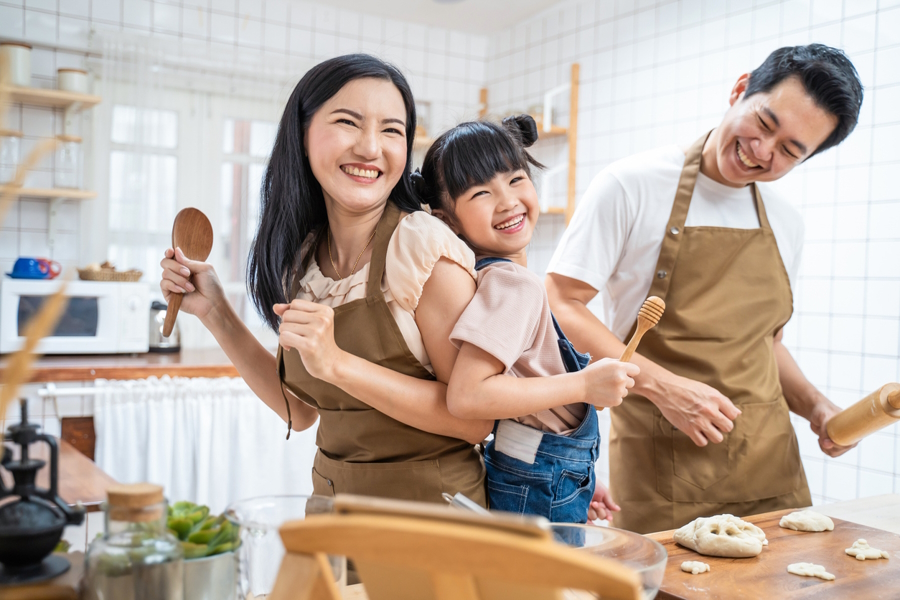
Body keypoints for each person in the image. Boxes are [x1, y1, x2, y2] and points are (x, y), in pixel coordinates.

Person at [545, 44, 864, 533]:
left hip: (770, 466)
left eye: (788, 151)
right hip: (662, 467)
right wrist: (665, 388)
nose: (762, 150)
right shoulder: (632, 185)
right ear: (740, 89)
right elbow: (560, 304)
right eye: (764, 122)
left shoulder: (786, 223)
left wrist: (817, 407)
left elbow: (767, 344)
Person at [160, 54, 491, 505]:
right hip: (332, 512)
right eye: (349, 122)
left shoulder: (422, 245)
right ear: (302, 134)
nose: (371, 148)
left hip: (434, 522)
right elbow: (298, 411)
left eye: (391, 129)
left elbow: (475, 419)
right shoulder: (302, 259)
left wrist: (338, 364)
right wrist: (216, 312)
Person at [415, 114, 639, 523]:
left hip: (536, 463)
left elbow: (518, 394)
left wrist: (575, 477)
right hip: (538, 474)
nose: (508, 201)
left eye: (516, 179)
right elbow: (468, 396)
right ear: (447, 219)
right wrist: (585, 383)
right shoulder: (515, 284)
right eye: (481, 192)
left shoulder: (487, 277)